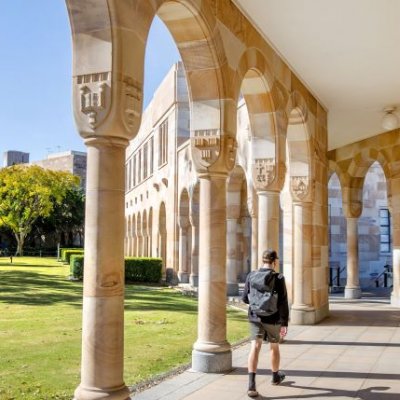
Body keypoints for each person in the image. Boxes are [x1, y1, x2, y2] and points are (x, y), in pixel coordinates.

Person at [242, 249, 289, 398]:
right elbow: (283, 302)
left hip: (255, 317)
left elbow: (244, 298)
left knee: (255, 347)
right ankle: (275, 376)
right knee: (274, 347)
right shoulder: (279, 277)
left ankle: (251, 385)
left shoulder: (251, 275)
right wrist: (284, 323)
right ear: (274, 261)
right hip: (273, 318)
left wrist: (257, 304)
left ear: (262, 261)